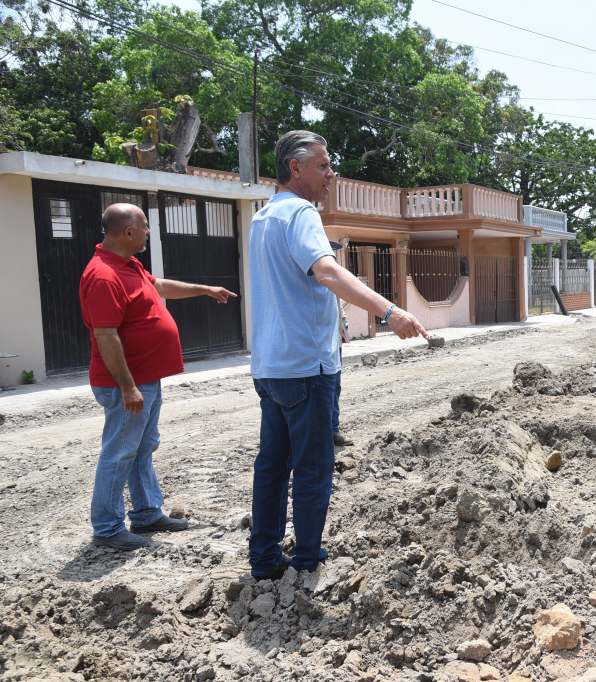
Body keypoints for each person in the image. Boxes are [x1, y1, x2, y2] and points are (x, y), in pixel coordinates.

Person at [248, 130, 427, 579]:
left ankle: (265, 558)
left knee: (272, 465)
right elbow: (326, 271)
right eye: (323, 166)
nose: (331, 174)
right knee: (312, 467)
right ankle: (308, 558)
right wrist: (389, 311)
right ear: (296, 168)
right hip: (307, 366)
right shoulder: (301, 214)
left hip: (272, 366)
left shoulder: (262, 218)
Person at [80, 203, 237, 551]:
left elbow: (159, 285)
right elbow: (106, 335)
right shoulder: (104, 275)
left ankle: (147, 512)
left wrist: (204, 289)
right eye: (145, 226)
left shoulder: (127, 264)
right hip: (126, 385)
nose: (149, 232)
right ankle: (106, 527)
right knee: (120, 452)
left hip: (144, 380)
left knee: (142, 448)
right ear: (127, 232)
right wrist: (128, 387)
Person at [328, 240, 354, 448]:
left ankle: (333, 428)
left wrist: (344, 326)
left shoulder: (332, 278)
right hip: (322, 343)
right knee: (327, 387)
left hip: (335, 340)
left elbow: (338, 306)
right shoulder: (321, 277)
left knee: (334, 386)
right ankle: (329, 430)